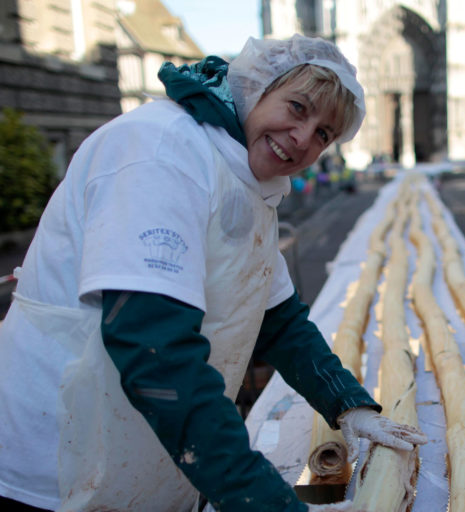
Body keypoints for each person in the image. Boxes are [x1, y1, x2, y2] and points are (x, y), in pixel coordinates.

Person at [0, 34, 426, 511]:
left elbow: (277, 319)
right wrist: (266, 501)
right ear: (256, 87)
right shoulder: (160, 154)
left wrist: (349, 405)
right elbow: (156, 352)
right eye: (298, 107)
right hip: (53, 456)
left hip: (149, 443)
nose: (304, 138)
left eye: (325, 133)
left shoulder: (250, 176)